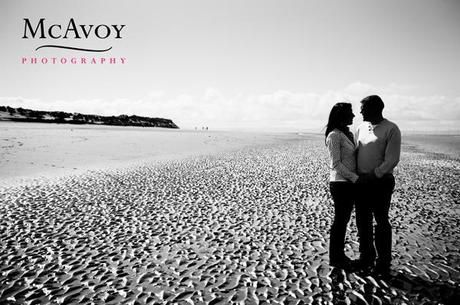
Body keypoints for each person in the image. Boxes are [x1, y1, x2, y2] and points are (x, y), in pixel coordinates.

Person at [355, 95, 401, 275]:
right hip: (361, 183)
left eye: (363, 108)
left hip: (381, 183)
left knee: (381, 221)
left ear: (376, 109)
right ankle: (366, 257)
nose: (360, 112)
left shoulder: (391, 129)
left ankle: (383, 261)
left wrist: (374, 175)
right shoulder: (361, 127)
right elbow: (356, 153)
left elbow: (392, 160)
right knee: (362, 222)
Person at [325, 102, 358, 269]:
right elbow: (336, 164)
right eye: (350, 113)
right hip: (340, 184)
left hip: (349, 183)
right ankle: (335, 257)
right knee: (340, 221)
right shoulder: (334, 136)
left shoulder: (347, 134)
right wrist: (355, 178)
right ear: (341, 116)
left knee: (343, 220)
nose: (353, 116)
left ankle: (339, 255)